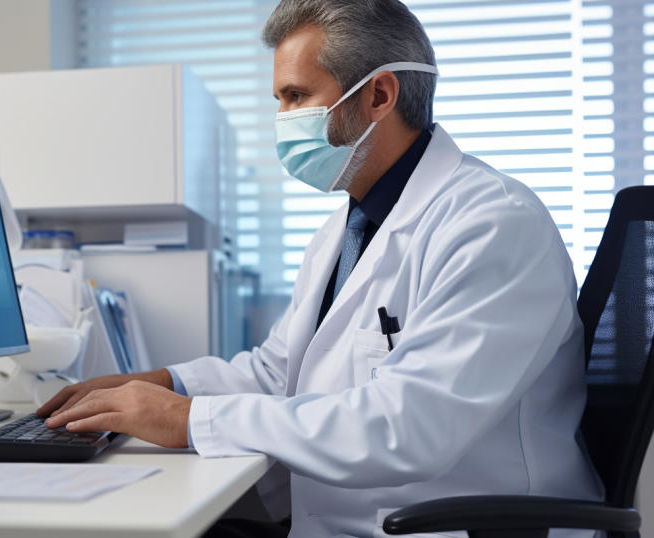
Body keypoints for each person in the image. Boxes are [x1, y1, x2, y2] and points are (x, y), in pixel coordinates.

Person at [40, 1, 603, 536]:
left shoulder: (493, 224)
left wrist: (188, 418)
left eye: (295, 96)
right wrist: (159, 385)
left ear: (379, 94)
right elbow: (279, 372)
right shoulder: (346, 228)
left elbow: (408, 429)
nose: (281, 119)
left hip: (451, 527)